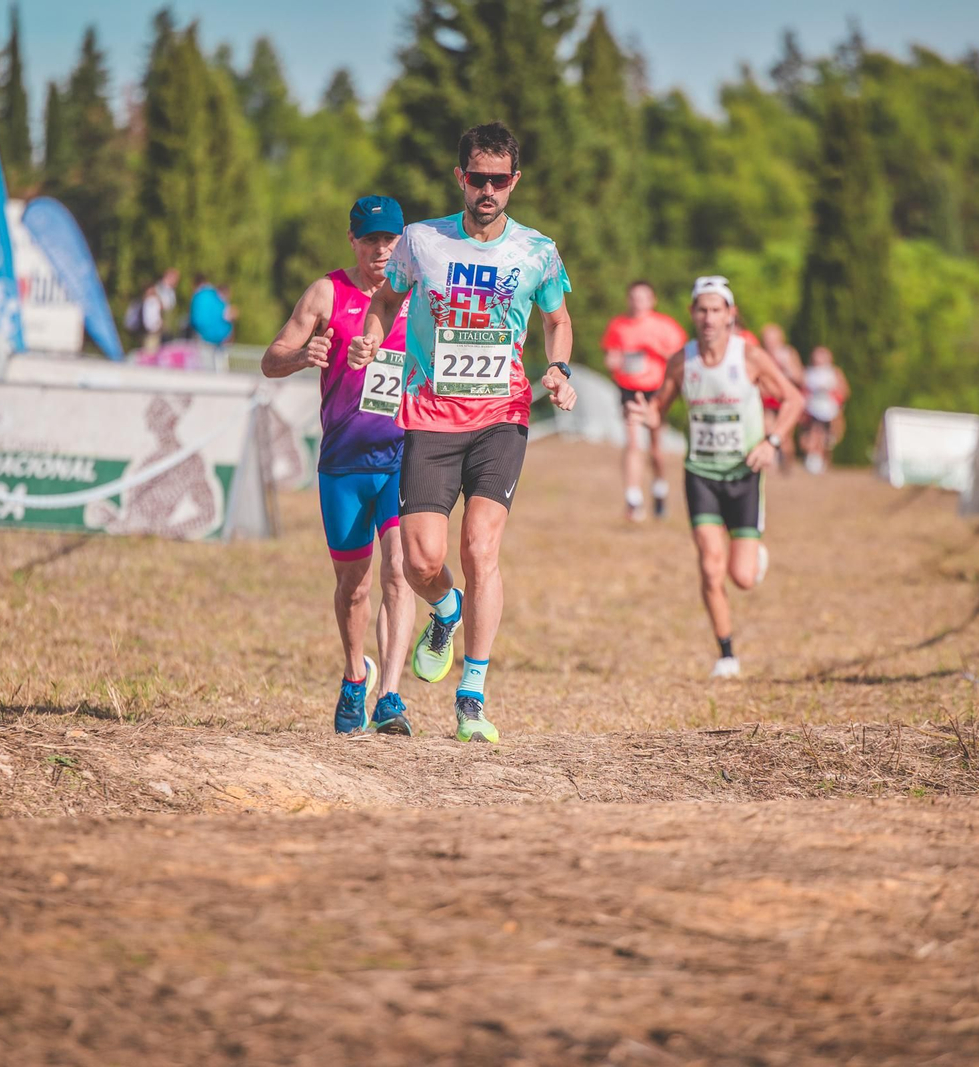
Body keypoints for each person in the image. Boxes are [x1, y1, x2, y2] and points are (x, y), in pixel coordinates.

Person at [348, 121, 577, 743]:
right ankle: (445, 610)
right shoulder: (420, 241)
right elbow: (387, 302)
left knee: (480, 547)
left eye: (499, 181)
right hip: (429, 414)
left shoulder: (538, 251)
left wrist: (557, 367)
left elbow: (558, 320)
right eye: (477, 178)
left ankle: (471, 693)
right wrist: (372, 336)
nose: (488, 190)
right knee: (422, 560)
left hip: (503, 415)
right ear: (461, 177)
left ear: (514, 182)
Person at [262, 196, 417, 735]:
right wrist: (303, 356)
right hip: (344, 463)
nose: (381, 249)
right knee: (354, 584)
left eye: (390, 239)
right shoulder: (327, 292)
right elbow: (271, 359)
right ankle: (357, 676)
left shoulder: (418, 295)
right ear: (353, 240)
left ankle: (391, 696)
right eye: (371, 239)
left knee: (400, 571)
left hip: (403, 456)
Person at [627, 276, 803, 679]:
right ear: (692, 314)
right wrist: (648, 415)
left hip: (744, 473)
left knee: (741, 578)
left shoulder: (751, 357)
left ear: (730, 315)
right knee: (709, 566)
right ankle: (726, 653)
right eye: (702, 310)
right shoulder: (681, 361)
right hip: (701, 473)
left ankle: (752, 554)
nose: (709, 317)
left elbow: (793, 399)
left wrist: (772, 441)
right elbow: (661, 407)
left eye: (716, 310)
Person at [601, 280, 686, 520]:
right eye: (634, 298)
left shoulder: (666, 326)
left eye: (643, 298)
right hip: (629, 388)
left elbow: (681, 359)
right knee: (632, 443)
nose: (637, 302)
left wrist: (656, 350)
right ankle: (633, 499)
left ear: (652, 300)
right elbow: (610, 358)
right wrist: (615, 361)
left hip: (658, 391)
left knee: (656, 448)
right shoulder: (618, 326)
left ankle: (659, 489)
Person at [760, 323, 804, 471]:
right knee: (767, 427)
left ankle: (786, 464)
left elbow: (799, 376)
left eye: (772, 338)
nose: (769, 342)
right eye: (767, 338)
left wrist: (786, 368)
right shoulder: (761, 354)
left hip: (785, 400)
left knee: (785, 435)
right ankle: (771, 461)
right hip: (768, 400)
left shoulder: (788, 353)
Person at [800, 346, 849, 475]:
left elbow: (844, 391)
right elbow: (803, 389)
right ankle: (813, 460)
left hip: (829, 410)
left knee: (827, 438)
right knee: (814, 434)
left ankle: (822, 461)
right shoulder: (808, 372)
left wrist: (836, 401)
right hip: (812, 409)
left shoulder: (834, 372)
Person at [188, 273, 234, 346]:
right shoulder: (215, 293)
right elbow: (229, 315)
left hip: (202, 337)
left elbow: (194, 318)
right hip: (221, 338)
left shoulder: (198, 296)